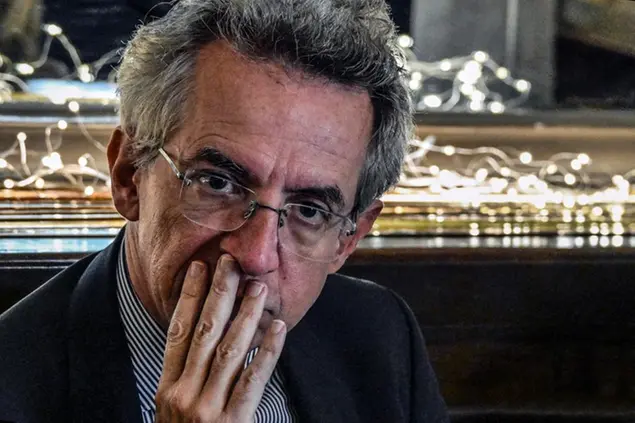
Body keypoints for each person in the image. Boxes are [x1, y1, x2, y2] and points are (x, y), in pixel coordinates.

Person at [0, 0, 449, 422]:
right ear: (129, 174)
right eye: (218, 184)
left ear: (348, 240)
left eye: (309, 211)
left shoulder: (381, 335)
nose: (256, 256)